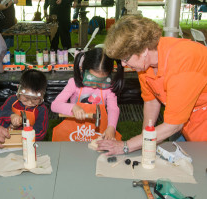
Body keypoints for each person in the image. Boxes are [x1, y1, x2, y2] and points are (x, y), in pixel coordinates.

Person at [99, 15, 207, 155]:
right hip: (185, 121)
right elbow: (151, 101)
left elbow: (173, 125)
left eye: (125, 59)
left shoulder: (182, 62)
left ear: (144, 50)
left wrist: (126, 146)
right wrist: (145, 141)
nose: (124, 65)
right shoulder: (145, 62)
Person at [51, 48, 124, 141]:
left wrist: (111, 127)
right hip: (73, 133)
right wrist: (73, 107)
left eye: (101, 81)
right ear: (83, 70)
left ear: (109, 75)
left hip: (98, 133)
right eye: (91, 79)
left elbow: (113, 109)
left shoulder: (108, 88)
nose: (94, 85)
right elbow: (54, 105)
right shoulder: (74, 84)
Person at [0, 69, 49, 141]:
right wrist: (11, 116)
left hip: (29, 142)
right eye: (26, 98)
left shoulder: (41, 109)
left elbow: (40, 133)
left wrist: (25, 135)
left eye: (35, 99)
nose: (29, 102)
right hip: (7, 139)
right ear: (19, 90)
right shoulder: (12, 100)